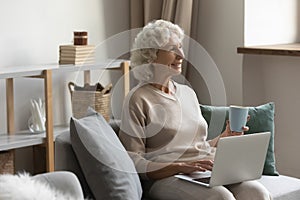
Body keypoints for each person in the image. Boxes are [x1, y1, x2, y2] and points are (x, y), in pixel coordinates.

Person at [119, 19, 271, 200]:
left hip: (203, 169)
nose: (181, 55)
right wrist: (180, 166)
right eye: (171, 49)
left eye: (180, 47)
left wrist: (225, 137)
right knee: (221, 197)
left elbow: (198, 146)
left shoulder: (188, 93)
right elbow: (133, 161)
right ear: (150, 56)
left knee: (257, 193)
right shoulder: (137, 99)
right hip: (167, 177)